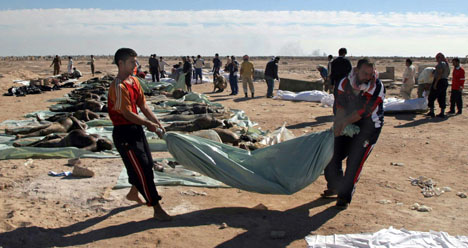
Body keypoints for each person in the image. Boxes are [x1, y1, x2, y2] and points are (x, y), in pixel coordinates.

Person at [108, 48, 171, 221]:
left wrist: (157, 123)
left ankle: (133, 193)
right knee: (142, 169)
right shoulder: (118, 87)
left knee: (147, 164)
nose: (135, 65)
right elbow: (126, 113)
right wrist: (147, 123)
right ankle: (156, 207)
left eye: (135, 61)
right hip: (124, 133)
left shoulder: (134, 81)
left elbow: (143, 106)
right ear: (120, 63)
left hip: (136, 130)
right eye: (131, 62)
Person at [322, 58, 385, 210]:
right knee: (332, 153)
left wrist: (343, 123)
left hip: (369, 126)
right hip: (348, 121)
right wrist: (338, 124)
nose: (367, 77)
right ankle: (335, 185)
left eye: (370, 74)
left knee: (354, 161)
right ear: (356, 71)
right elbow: (340, 105)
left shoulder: (376, 86)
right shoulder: (344, 83)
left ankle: (344, 196)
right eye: (364, 73)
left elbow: (363, 111)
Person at [13, 129, 113, 152]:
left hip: (64, 142)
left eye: (104, 143)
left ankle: (24, 147)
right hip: (65, 136)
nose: (103, 140)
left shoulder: (93, 144)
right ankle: (27, 144)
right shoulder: (97, 136)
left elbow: (84, 150)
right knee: (47, 137)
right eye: (105, 140)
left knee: (43, 144)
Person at [427, 52, 450, 118]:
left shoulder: (441, 64)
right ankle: (442, 112)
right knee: (442, 96)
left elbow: (440, 73)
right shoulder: (446, 64)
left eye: (437, 58)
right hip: (444, 81)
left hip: (439, 81)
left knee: (431, 96)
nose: (437, 59)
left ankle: (432, 112)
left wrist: (436, 83)